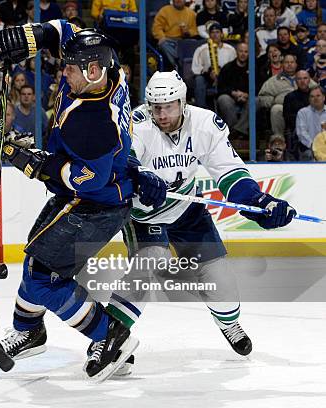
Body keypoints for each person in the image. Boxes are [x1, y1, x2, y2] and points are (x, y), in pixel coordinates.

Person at [0, 23, 167, 381]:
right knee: (37, 262)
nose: (63, 72)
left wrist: (36, 164)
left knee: (45, 279)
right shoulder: (108, 71)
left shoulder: (94, 123)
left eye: (69, 69)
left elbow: (89, 179)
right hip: (84, 194)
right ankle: (28, 330)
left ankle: (109, 335)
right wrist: (29, 39)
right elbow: (64, 31)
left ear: (92, 70)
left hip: (94, 204)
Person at [101, 71, 296, 375]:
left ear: (182, 102)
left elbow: (229, 172)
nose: (161, 114)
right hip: (144, 214)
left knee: (223, 288)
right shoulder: (137, 122)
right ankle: (106, 338)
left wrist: (259, 202)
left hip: (187, 209)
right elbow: (124, 158)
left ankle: (227, 322)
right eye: (155, 106)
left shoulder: (205, 123)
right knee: (149, 264)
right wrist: (139, 176)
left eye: (168, 106)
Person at [295, 86, 326, 160]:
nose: (315, 98)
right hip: (309, 148)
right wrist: (315, 146)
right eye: (312, 96)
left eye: (318, 96)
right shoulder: (302, 113)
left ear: (324, 97)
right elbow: (301, 133)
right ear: (309, 99)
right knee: (308, 154)